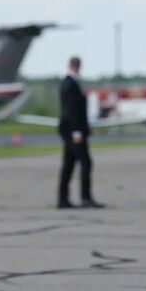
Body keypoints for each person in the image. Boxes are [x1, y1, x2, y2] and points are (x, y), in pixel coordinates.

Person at [57, 56, 104, 208]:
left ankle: (63, 199)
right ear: (76, 66)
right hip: (73, 131)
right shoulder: (71, 84)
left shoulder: (69, 83)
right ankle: (85, 198)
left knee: (69, 164)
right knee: (85, 163)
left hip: (70, 129)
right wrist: (77, 131)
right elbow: (72, 110)